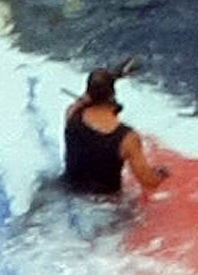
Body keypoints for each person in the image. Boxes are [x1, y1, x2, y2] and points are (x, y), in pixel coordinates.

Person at [62, 66, 169, 198]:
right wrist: (162, 174)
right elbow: (148, 182)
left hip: (66, 190)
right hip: (105, 205)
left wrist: (111, 77)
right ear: (112, 95)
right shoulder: (128, 138)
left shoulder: (71, 114)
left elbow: (83, 100)